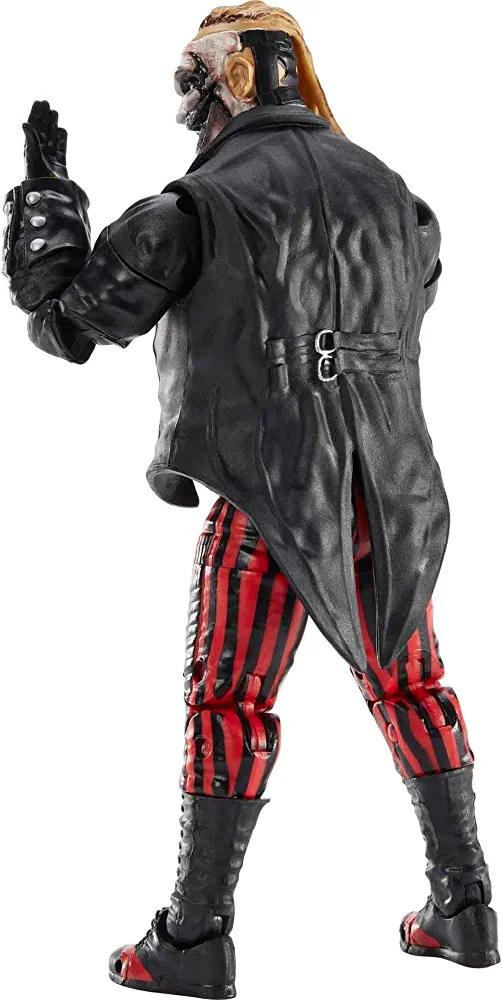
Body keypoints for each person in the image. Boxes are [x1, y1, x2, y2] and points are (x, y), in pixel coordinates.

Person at [3, 2, 499, 995]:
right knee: (410, 685)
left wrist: (47, 202)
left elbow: (65, 323)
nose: (181, 97)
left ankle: (194, 937)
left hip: (267, 494)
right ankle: (466, 905)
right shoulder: (396, 197)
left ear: (226, 80)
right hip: (391, 494)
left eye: (188, 75)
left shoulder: (192, 209)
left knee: (228, 698)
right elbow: (408, 305)